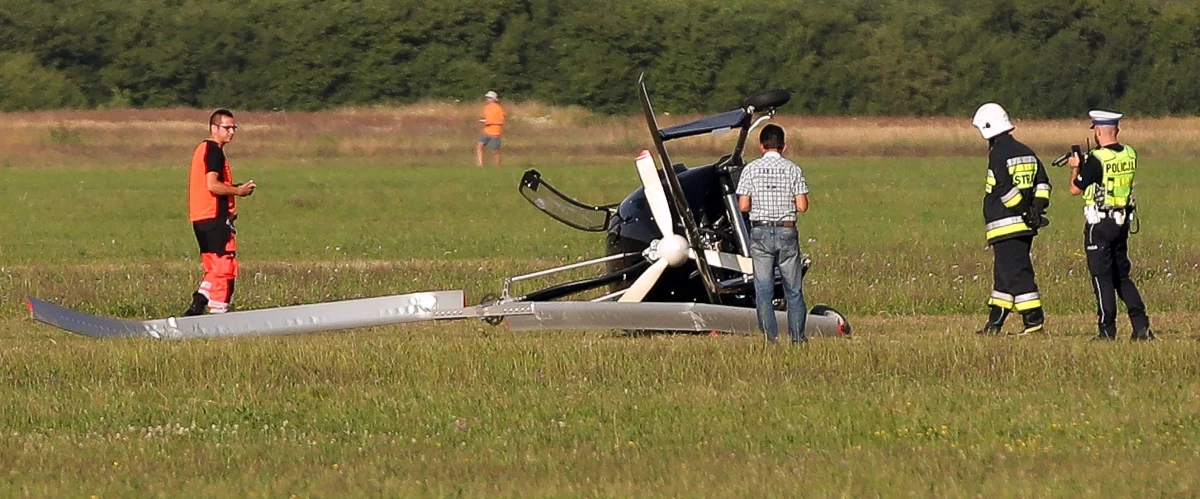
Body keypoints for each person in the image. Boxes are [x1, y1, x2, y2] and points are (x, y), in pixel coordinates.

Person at [1066, 109, 1153, 341]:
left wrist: (1076, 166)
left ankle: (1107, 330)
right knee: (1121, 275)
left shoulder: (1097, 159)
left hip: (1100, 224)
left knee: (1101, 277)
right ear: (1117, 130)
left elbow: (1075, 188)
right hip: (1122, 222)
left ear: (1097, 131)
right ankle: (1141, 325)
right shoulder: (1130, 154)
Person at [971, 103, 1052, 336]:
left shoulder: (998, 154)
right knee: (1004, 276)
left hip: (1006, 225)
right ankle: (994, 323)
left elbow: (1005, 189)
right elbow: (1043, 183)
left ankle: (1033, 321)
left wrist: (1024, 210)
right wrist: (1036, 209)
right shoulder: (1027, 151)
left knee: (1017, 274)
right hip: (1024, 227)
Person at [735, 124, 810, 344]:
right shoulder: (794, 169)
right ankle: (797, 338)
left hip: (760, 232)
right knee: (793, 290)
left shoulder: (750, 170)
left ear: (761, 146)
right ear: (783, 146)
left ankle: (771, 339)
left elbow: (743, 206)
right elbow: (802, 205)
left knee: (764, 289)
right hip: (786, 231)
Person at [183, 108, 256, 316]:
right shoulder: (214, 150)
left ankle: (198, 302)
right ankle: (218, 314)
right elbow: (212, 185)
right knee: (225, 266)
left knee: (214, 268)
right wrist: (239, 191)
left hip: (200, 217)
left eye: (234, 127)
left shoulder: (202, 149)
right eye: (227, 127)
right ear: (214, 128)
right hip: (213, 217)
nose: (231, 132)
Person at [475, 90, 505, 167]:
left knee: (495, 151)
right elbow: (485, 118)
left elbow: (501, 121)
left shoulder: (498, 108)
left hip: (495, 132)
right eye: (487, 97)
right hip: (486, 131)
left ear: (494, 99)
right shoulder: (486, 108)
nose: (488, 99)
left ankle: (497, 165)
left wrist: (490, 122)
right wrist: (483, 121)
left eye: (490, 98)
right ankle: (480, 165)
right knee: (479, 146)